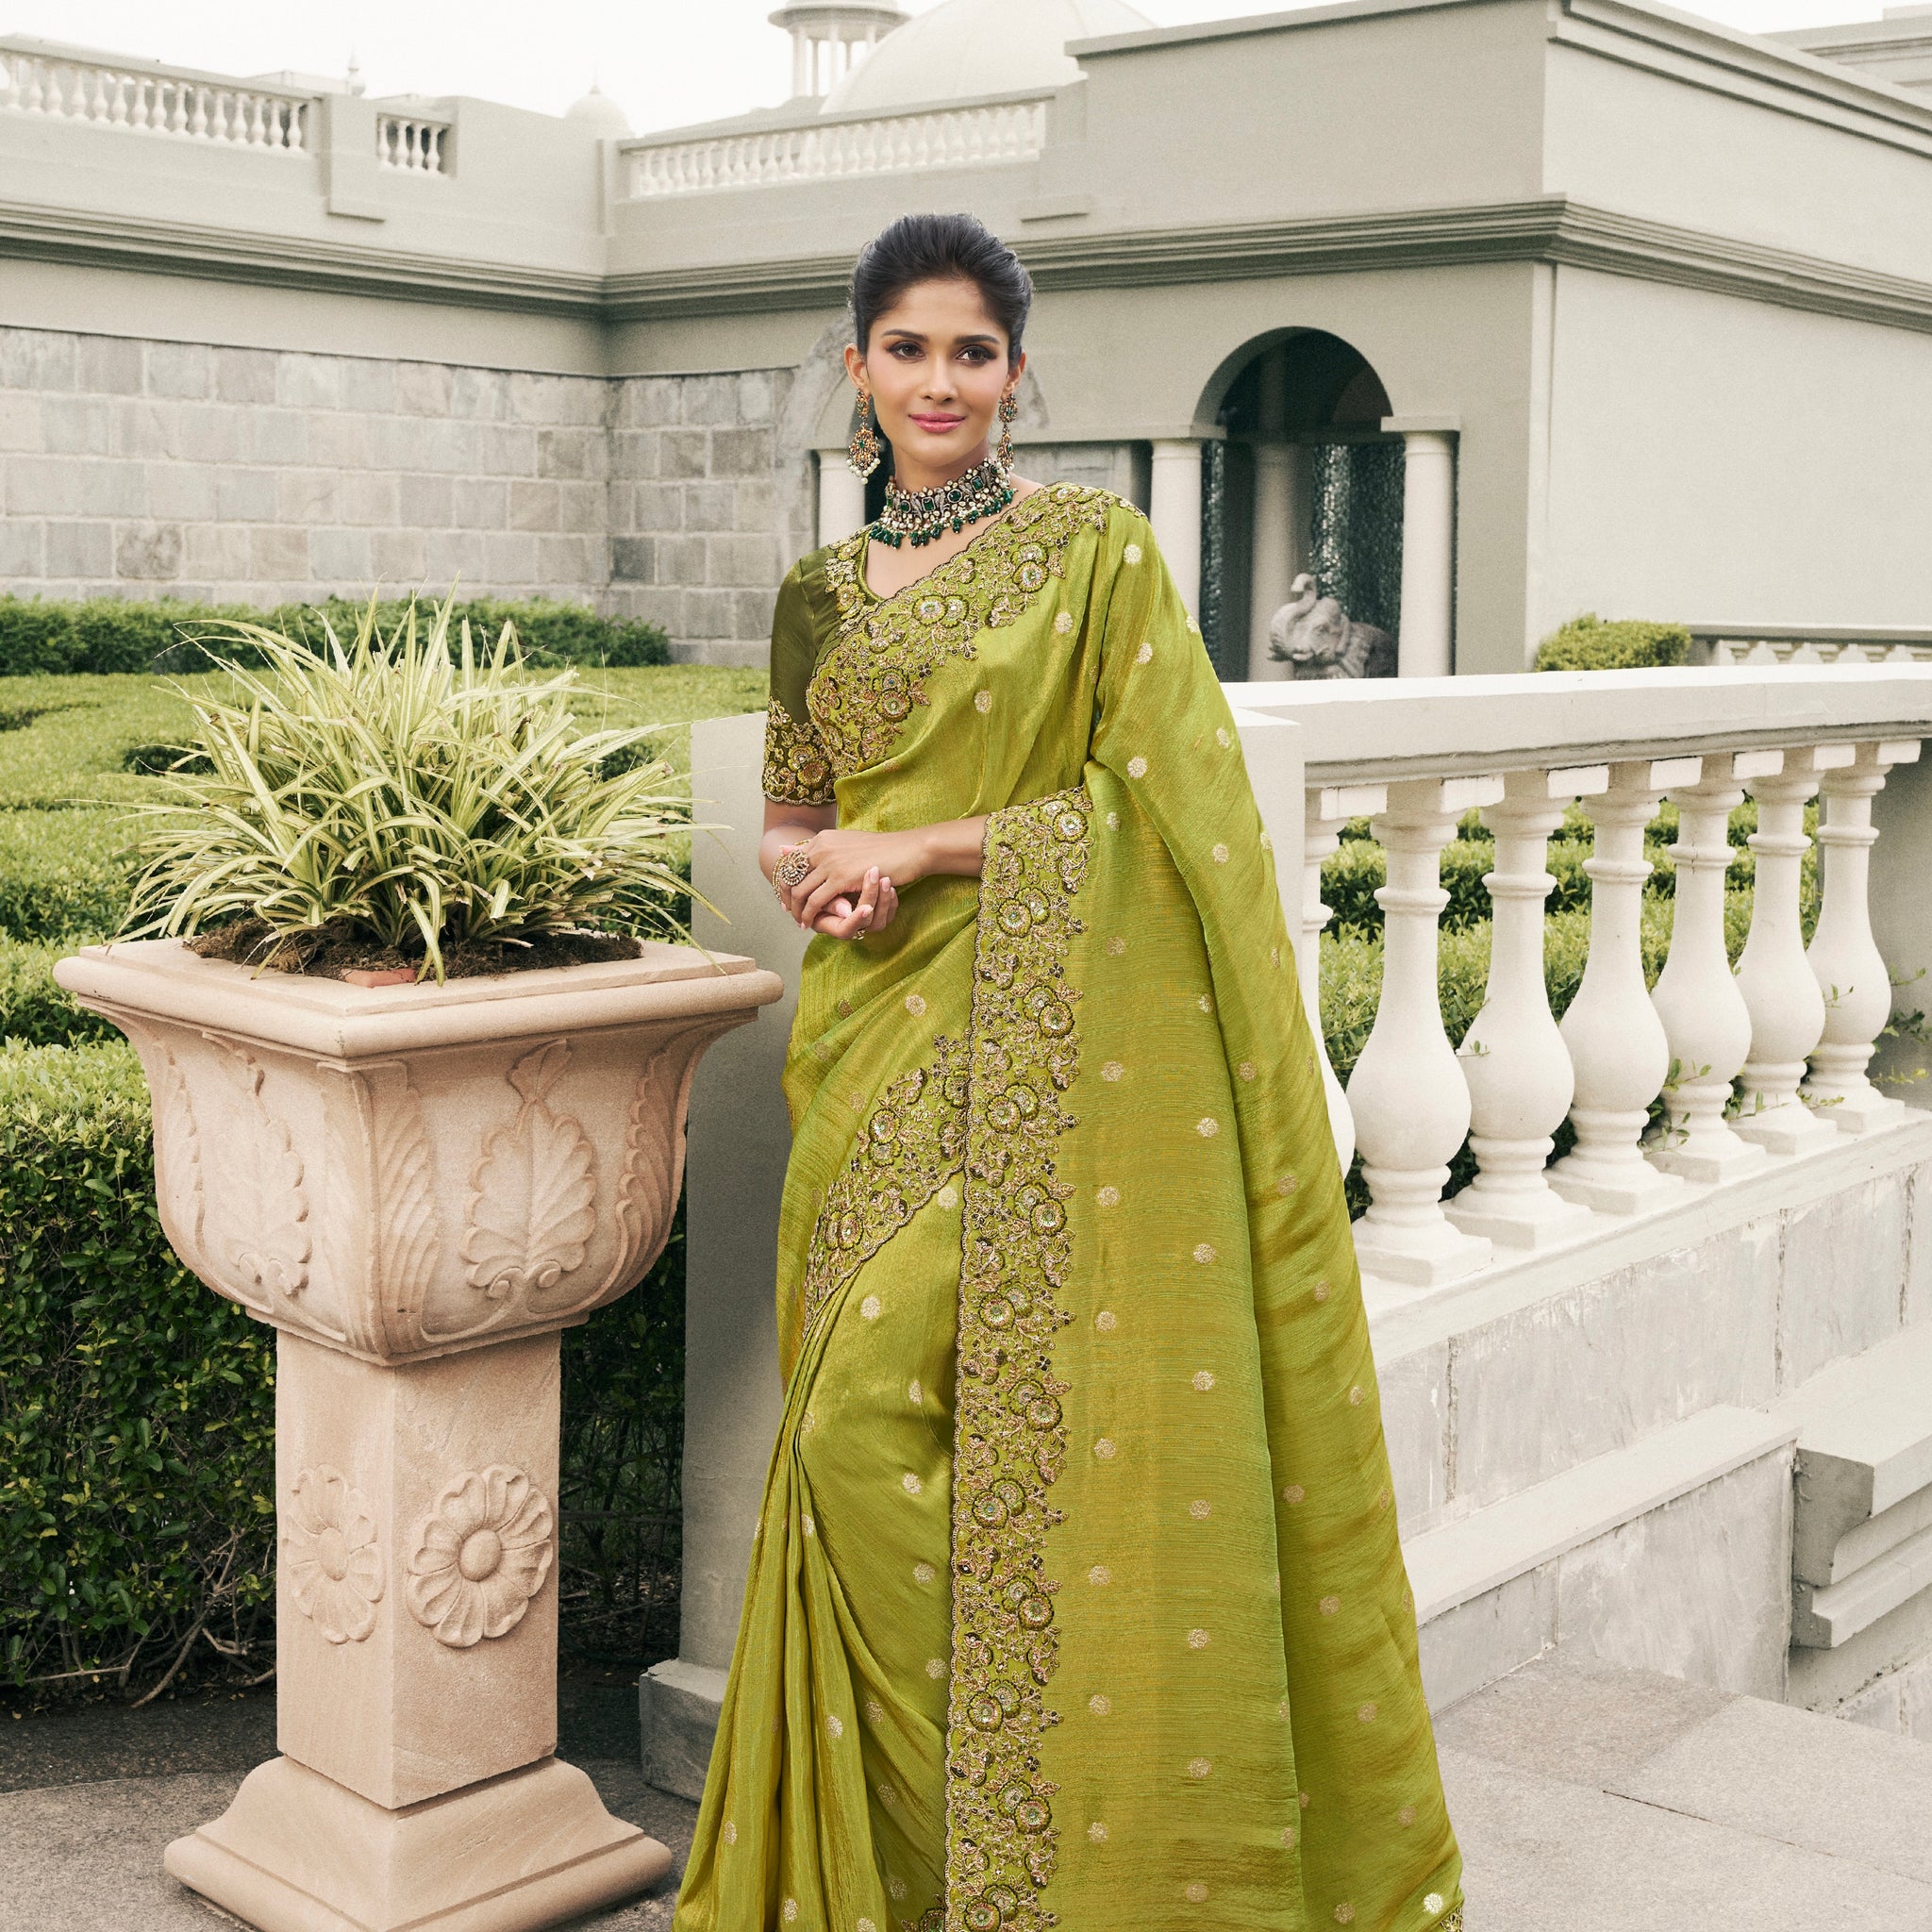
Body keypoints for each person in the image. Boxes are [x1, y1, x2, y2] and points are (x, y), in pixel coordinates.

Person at [673, 211, 1465, 1932]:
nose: (940, 380)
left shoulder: (1096, 554)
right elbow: (797, 813)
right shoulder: (817, 594)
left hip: (1049, 1038)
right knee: (852, 1438)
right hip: (873, 1037)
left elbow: (1164, 813)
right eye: (907, 348)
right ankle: (936, 1862)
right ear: (859, 368)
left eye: (974, 350)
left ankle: (1068, 1847)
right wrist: (826, 869)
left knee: (991, 1414)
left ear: (1017, 373)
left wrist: (935, 844)